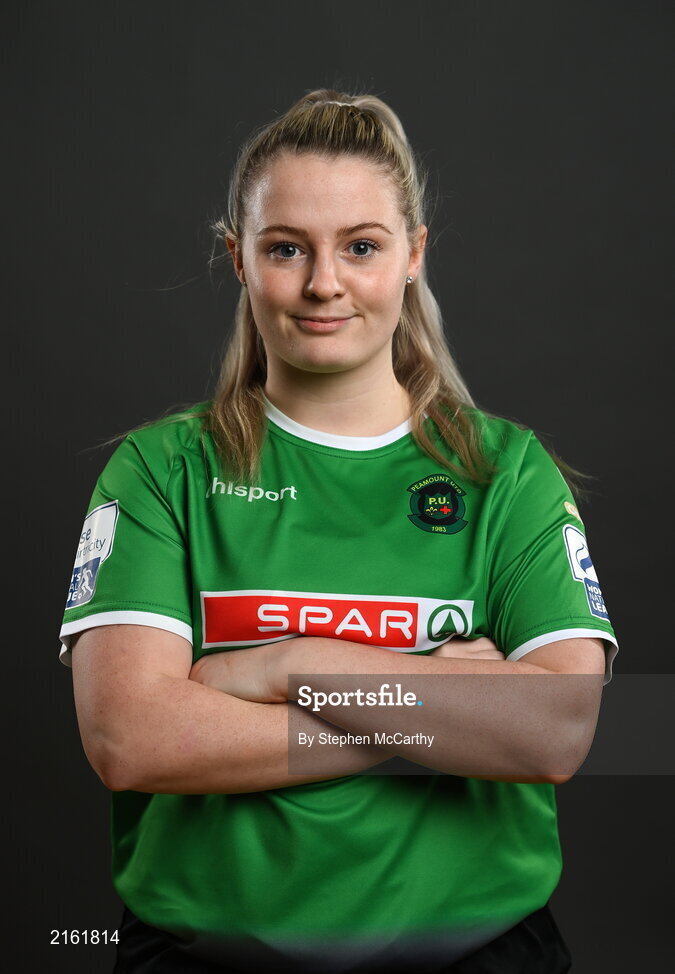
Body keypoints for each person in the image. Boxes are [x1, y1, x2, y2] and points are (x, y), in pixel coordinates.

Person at [59, 89, 618, 973]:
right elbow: (131, 741)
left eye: (361, 246)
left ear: (412, 255)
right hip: (200, 957)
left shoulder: (506, 473)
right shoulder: (161, 470)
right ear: (239, 258)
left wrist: (288, 667)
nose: (324, 283)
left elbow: (553, 731)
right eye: (286, 248)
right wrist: (434, 706)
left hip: (478, 955)